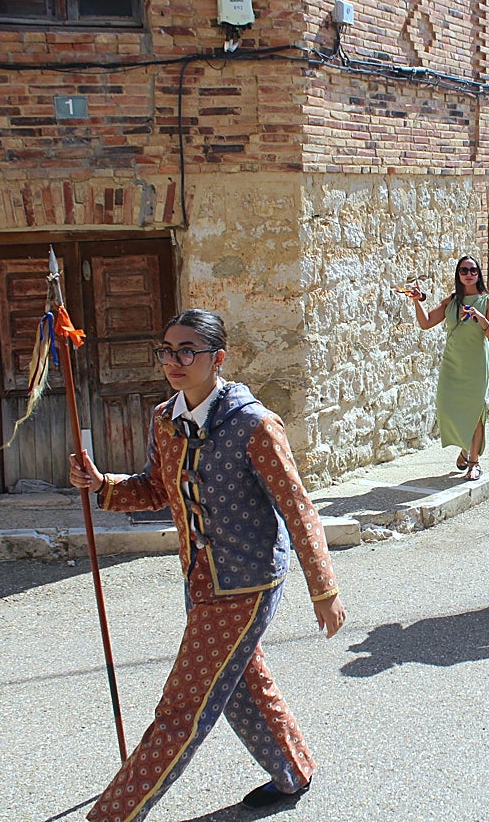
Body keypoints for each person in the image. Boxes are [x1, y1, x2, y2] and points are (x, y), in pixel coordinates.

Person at [68, 309, 345, 822]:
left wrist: (323, 588)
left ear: (217, 359)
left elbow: (297, 506)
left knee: (182, 708)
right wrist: (103, 485)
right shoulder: (165, 420)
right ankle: (292, 770)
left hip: (247, 580)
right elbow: (156, 488)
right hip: (199, 577)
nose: (174, 361)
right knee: (239, 679)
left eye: (187, 350)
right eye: (167, 350)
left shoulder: (254, 425)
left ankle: (112, 815)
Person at [404, 255, 489, 480]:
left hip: (475, 362)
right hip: (452, 362)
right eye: (464, 270)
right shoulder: (452, 301)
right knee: (448, 408)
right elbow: (426, 322)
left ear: (479, 274)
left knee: (475, 410)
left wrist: (479, 318)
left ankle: (474, 462)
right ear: (458, 274)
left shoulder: (487, 301)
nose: (469, 274)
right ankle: (465, 449)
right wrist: (416, 301)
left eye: (473, 270)